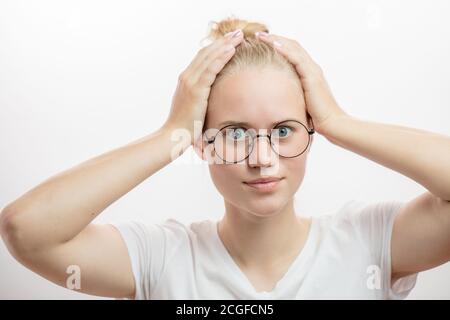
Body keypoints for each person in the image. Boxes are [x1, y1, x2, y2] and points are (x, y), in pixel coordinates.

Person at [1, 17, 449, 300]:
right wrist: (168, 135)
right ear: (201, 143)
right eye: (235, 134)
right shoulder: (162, 258)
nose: (263, 159)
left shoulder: (368, 242)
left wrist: (336, 120)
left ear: (310, 134)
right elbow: (27, 230)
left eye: (284, 130)